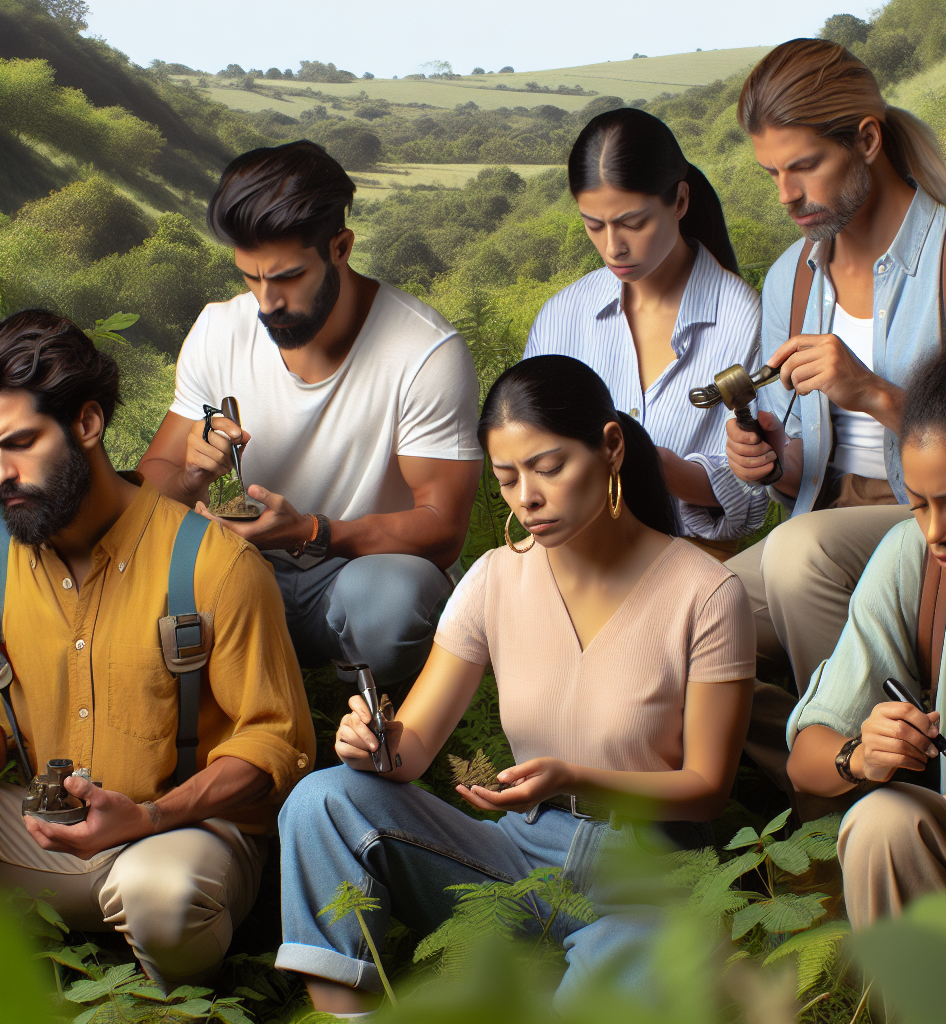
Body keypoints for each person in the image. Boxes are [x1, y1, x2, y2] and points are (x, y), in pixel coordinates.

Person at [275, 355, 755, 1015]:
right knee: (324, 800)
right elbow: (410, 749)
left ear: (610, 446)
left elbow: (706, 790)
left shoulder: (706, 593)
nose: (527, 497)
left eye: (549, 468)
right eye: (507, 479)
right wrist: (371, 742)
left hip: (649, 881)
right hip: (517, 854)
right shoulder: (497, 577)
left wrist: (573, 778)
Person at [720, 39, 946, 794]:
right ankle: (829, 771)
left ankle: (879, 808)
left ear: (866, 138)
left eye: (804, 167)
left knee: (800, 555)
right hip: (820, 508)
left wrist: (876, 393)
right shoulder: (792, 273)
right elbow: (808, 464)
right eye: (772, 174)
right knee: (688, 618)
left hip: (927, 515)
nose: (787, 195)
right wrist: (764, 456)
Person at [0, 310, 316, 986]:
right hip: (38, 833)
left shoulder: (214, 565)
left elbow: (277, 743)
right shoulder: (1, 562)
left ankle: (168, 990)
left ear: (86, 424)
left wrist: (148, 815)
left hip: (180, 835)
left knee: (162, 900)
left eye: (19, 442)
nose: (2, 473)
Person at [138, 141, 483, 694]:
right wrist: (190, 475)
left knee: (397, 601)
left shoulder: (425, 351)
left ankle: (366, 715)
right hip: (242, 571)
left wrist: (310, 533)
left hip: (357, 577)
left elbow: (443, 531)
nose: (266, 302)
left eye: (287, 277)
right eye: (250, 277)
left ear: (341, 246)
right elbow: (151, 479)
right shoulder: (218, 330)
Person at [785, 298, 946, 927]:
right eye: (918, 504)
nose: (936, 532)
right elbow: (807, 757)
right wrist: (860, 755)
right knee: (884, 823)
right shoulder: (915, 565)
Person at [525, 108, 765, 559]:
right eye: (594, 225)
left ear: (679, 201)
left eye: (633, 223)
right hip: (570, 553)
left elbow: (754, 494)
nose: (613, 246)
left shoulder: (744, 319)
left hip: (688, 563)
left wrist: (655, 467)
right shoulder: (563, 315)